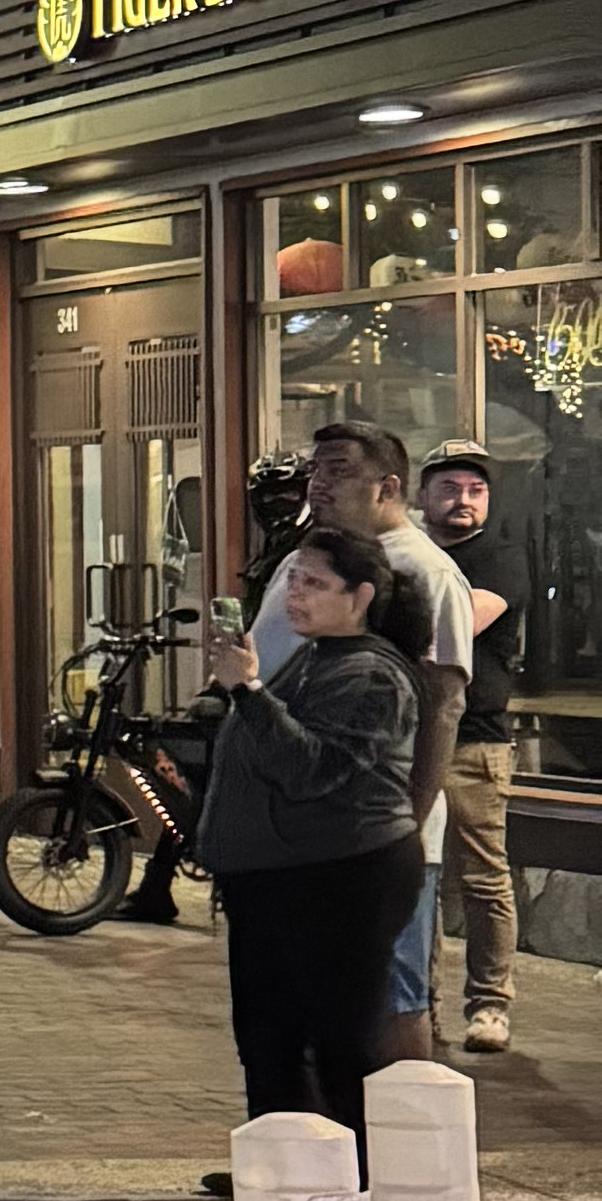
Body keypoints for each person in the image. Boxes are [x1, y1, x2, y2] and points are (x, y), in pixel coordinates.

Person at [253, 422, 471, 1063]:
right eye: (314, 470)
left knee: (388, 995)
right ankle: (311, 1148)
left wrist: (404, 820)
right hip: (290, 824)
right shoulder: (305, 560)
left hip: (374, 828)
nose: (318, 484)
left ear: (389, 487)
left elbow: (443, 705)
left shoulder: (425, 572)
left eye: (339, 470)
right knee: (299, 993)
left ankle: (394, 1151)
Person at [199, 522, 422, 1129]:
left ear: (361, 597)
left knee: (337, 1046)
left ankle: (347, 1190)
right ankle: (280, 1181)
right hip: (279, 879)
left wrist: (246, 688)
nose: (296, 595)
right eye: (293, 580)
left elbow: (310, 768)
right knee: (268, 1041)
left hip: (337, 879)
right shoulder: (314, 656)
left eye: (315, 584)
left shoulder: (371, 673)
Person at [417, 443, 524, 1051]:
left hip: (475, 742)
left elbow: (462, 623)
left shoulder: (501, 557)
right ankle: (418, 1006)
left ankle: (490, 1006)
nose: (463, 498)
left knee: (483, 879)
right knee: (415, 879)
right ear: (421, 496)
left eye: (476, 489)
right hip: (405, 741)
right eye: (450, 487)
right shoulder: (404, 554)